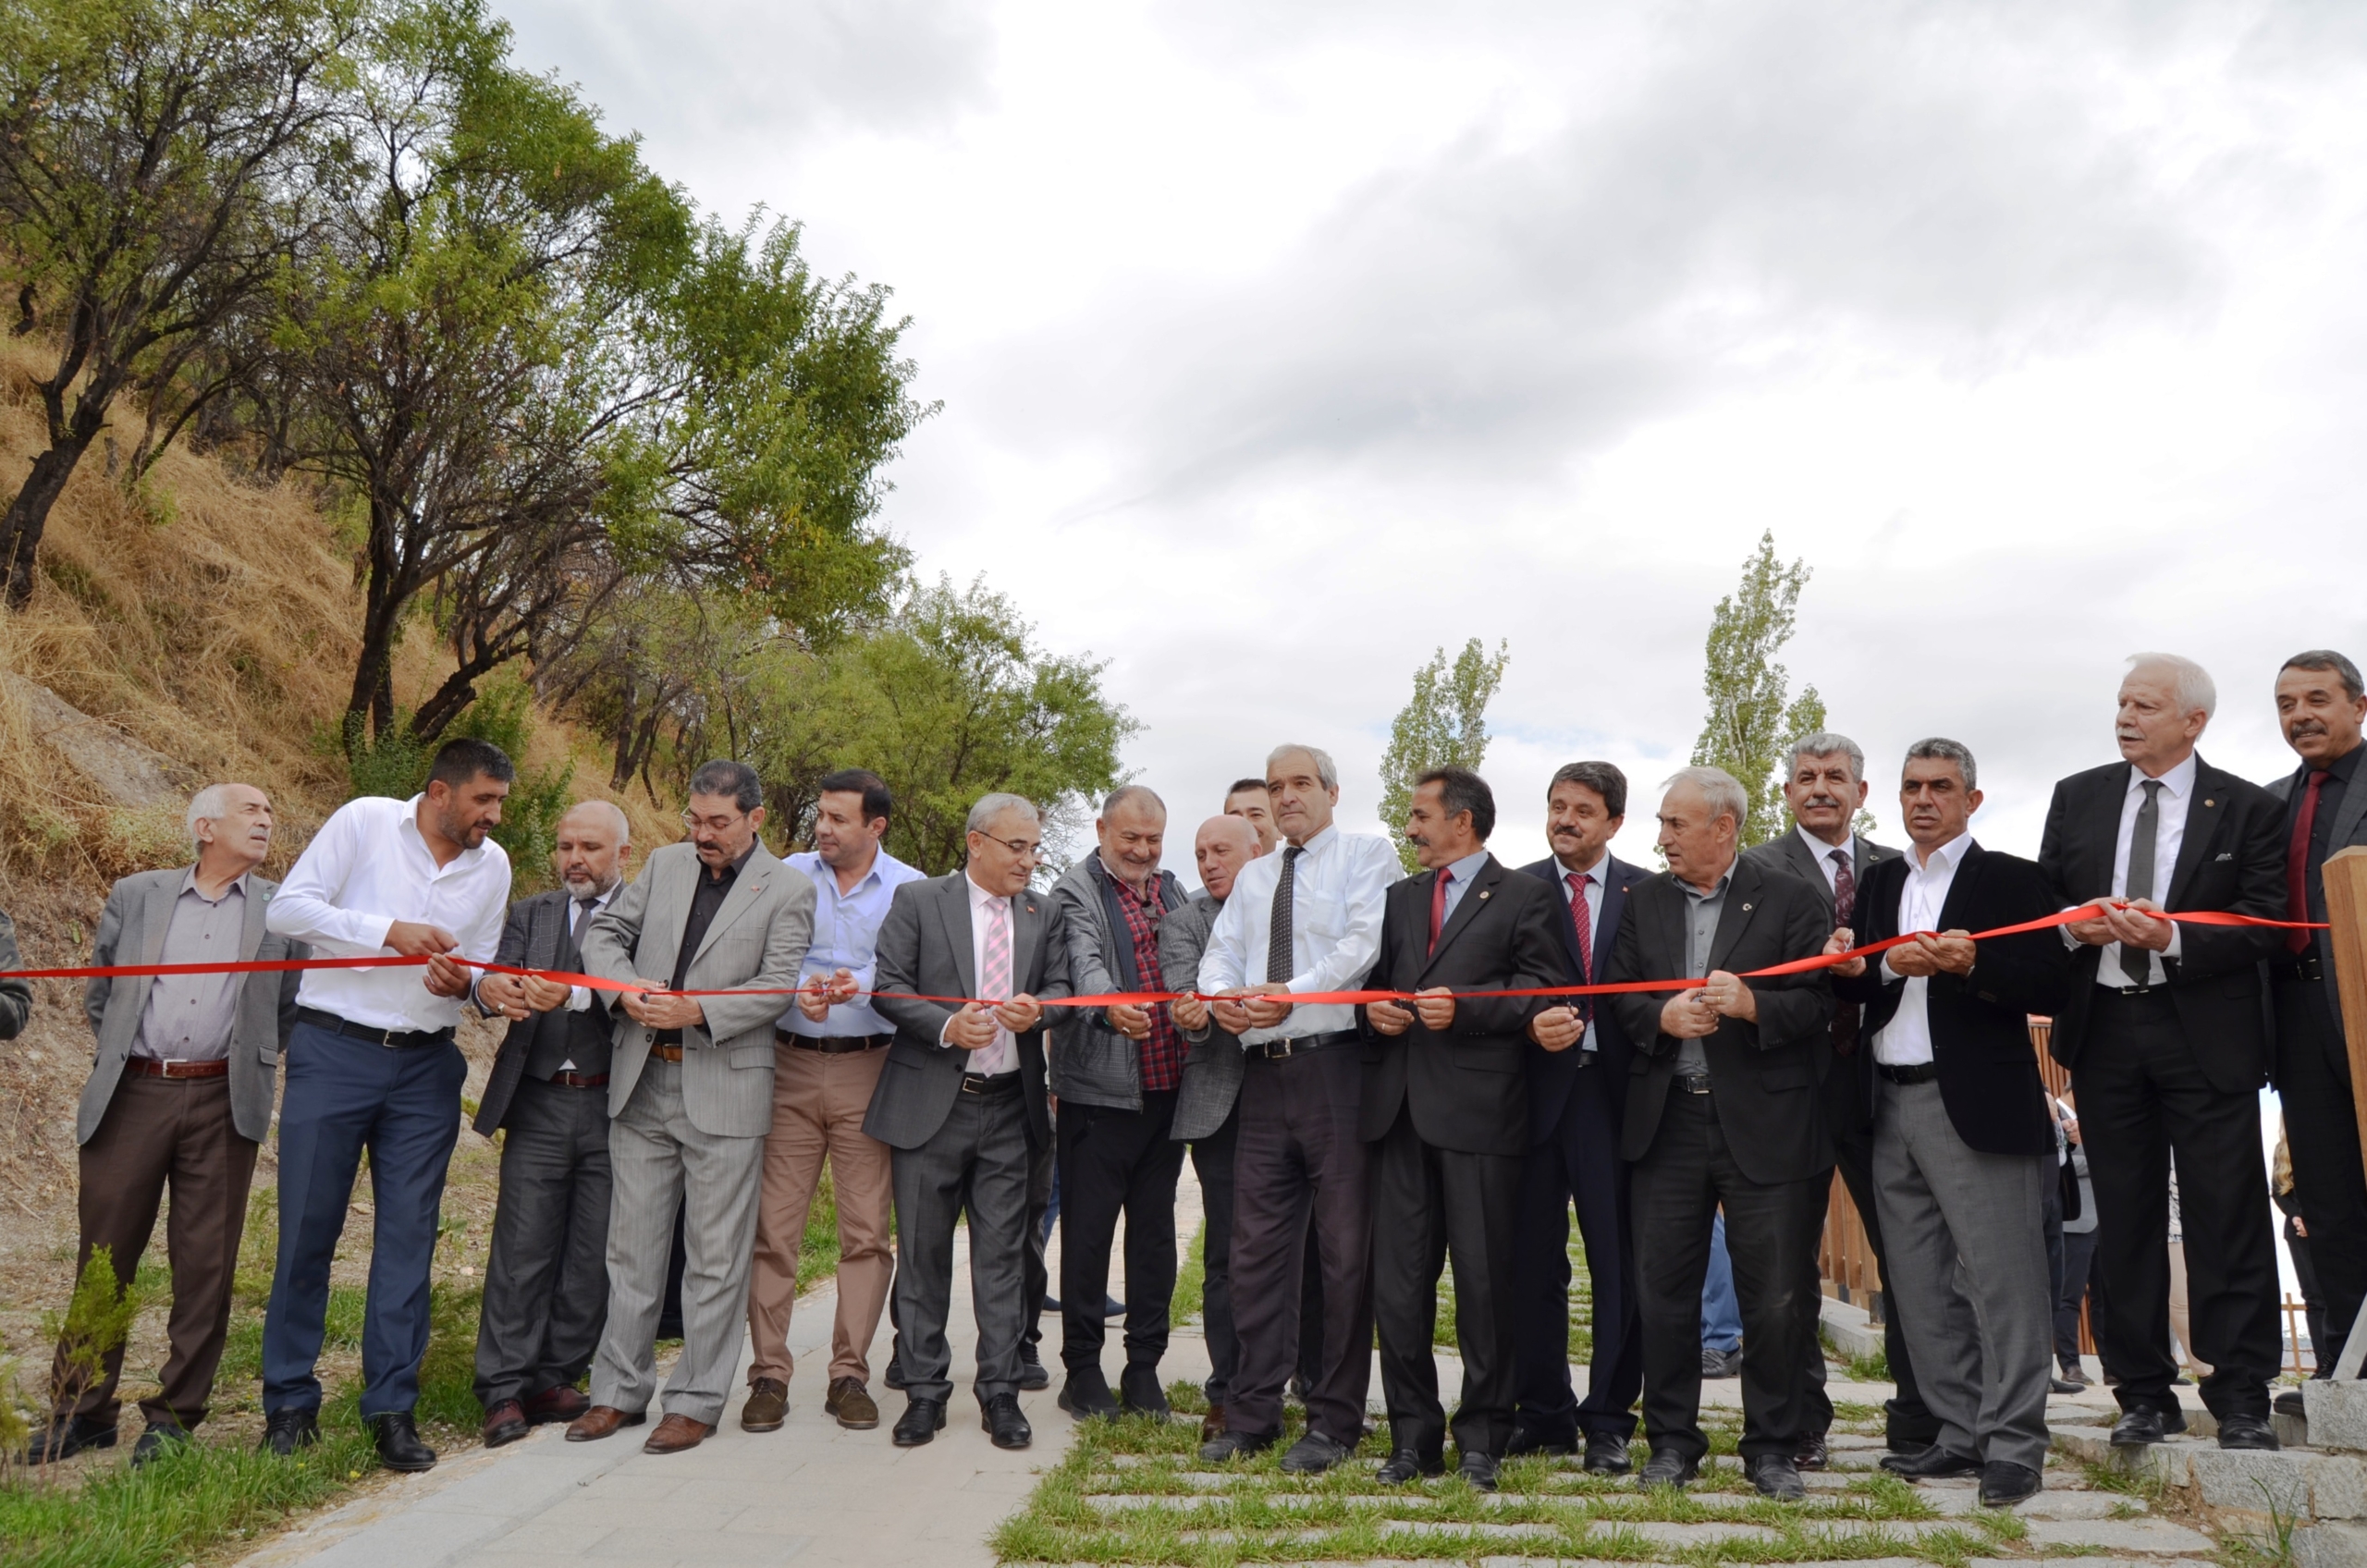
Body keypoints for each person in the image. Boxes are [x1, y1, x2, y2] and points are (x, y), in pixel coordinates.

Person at [2038, 652, 2286, 1452]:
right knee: (2128, 1218)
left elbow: (2264, 921)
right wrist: (2072, 926)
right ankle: (2143, 1392)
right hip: (2104, 1029)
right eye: (2121, 702)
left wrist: (2173, 936)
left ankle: (2243, 1393)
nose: (2125, 717)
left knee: (2227, 1213)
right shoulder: (2077, 798)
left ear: (2193, 721)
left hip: (2204, 1034)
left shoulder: (2247, 807)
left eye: (2144, 705)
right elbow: (2044, 905)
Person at [1826, 738, 2070, 1509]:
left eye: (1940, 787)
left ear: (1972, 800)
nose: (1923, 799)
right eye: (1910, 787)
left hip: (1978, 1106)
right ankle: (1960, 1435)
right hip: (1887, 1101)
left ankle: (2015, 1446)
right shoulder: (1881, 880)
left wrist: (1974, 967)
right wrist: (1870, 966)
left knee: (2005, 1284)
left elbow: (2055, 982)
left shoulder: (2013, 880)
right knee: (1920, 1285)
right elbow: (1862, 986)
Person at [27, 785, 302, 1465]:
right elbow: (102, 993)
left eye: (270, 812)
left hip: (223, 1098)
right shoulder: (138, 893)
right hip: (135, 1093)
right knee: (105, 1254)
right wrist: (136, 1057)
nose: (266, 820)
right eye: (251, 810)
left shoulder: (284, 910)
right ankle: (82, 1410)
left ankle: (174, 1417)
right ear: (205, 827)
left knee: (205, 1263)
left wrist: (245, 1063)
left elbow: (286, 1008)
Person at [261, 741, 514, 1472]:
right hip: (332, 1052)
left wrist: (471, 987)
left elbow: (480, 967)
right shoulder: (364, 821)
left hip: (426, 1069)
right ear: (439, 792)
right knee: (307, 1230)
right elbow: (287, 910)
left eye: (499, 802)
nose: (493, 817)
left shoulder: (492, 866)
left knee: (410, 1238)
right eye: (483, 801)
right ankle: (288, 1404)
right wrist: (387, 932)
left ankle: (392, 1408)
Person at [568, 761, 816, 1456]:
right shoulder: (665, 864)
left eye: (718, 823)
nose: (702, 834)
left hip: (727, 1091)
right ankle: (618, 1392)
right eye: (694, 819)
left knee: (715, 1259)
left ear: (755, 819)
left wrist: (698, 1008)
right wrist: (623, 991)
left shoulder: (789, 888)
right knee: (631, 1252)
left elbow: (778, 988)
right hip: (642, 1081)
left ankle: (698, 1400)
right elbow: (603, 935)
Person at [1600, 766, 1834, 1500]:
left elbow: (1821, 1003)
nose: (1661, 836)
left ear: (1724, 828)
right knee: (1663, 1293)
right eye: (1664, 824)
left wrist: (1755, 1005)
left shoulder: (1793, 897)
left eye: (1675, 823)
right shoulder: (1644, 903)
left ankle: (1771, 1448)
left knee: (1774, 1297)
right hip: (1667, 1120)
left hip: (1765, 1124)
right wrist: (1660, 1020)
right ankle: (1672, 1445)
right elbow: (1618, 997)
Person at [1197, 743, 1399, 1474]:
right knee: (1255, 1254)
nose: (1286, 797)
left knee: (1344, 1256)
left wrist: (1290, 992)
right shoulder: (1254, 876)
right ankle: (1252, 1414)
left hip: (1336, 1072)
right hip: (1263, 1077)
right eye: (1276, 786)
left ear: (1333, 792)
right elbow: (1222, 953)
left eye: (1301, 784)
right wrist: (1224, 999)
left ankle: (1334, 1422)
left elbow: (1360, 948)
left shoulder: (1367, 858)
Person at [1362, 767, 1564, 1491]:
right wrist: (1373, 1011)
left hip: (1482, 1118)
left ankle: (1483, 1437)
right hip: (1400, 1118)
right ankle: (1411, 1439)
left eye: (1420, 815)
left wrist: (1470, 1009)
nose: (1410, 828)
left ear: (1464, 820)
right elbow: (1380, 982)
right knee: (1399, 1288)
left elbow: (1548, 988)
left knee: (1484, 1285)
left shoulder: (1526, 896)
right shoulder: (1400, 898)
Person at [1740, 733, 1934, 1465]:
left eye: (1835, 777)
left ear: (1861, 790)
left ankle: (1921, 1416)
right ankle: (1797, 1425)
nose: (1820, 788)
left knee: (1910, 1255)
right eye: (1805, 777)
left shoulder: (1897, 868)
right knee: (1787, 1268)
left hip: (1882, 1087)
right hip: (1786, 1088)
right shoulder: (1753, 869)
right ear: (1786, 793)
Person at [864, 792, 1072, 1452]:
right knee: (923, 1258)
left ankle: (1000, 1395)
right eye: (1018, 847)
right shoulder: (921, 902)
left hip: (1012, 1106)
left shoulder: (1045, 912)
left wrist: (1039, 1012)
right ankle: (924, 1394)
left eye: (1035, 848)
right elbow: (889, 987)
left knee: (1003, 1259)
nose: (1030, 860)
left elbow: (1067, 991)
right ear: (976, 843)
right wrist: (949, 1025)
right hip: (932, 1105)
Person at [745, 769, 922, 1435]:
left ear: (875, 827)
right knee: (775, 1229)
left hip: (870, 1070)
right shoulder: (788, 874)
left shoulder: (908, 887)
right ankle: (768, 1376)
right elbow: (762, 955)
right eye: (820, 815)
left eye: (838, 819)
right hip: (788, 1064)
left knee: (866, 1235)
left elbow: (913, 964)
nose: (822, 827)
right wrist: (802, 988)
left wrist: (863, 984)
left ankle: (849, 1374)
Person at [468, 802, 632, 1449]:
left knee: (593, 1252)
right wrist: (497, 993)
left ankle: (555, 1375)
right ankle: (503, 1389)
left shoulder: (644, 915)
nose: (575, 860)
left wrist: (575, 992)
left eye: (589, 847)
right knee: (521, 1248)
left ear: (623, 850)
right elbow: (493, 979)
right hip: (538, 1101)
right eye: (566, 846)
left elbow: (643, 995)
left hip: (615, 1104)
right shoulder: (531, 913)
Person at [1509, 761, 1650, 1472]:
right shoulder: (1512, 890)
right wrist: (1530, 1022)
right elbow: (1499, 984)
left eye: (1583, 810)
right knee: (1531, 1263)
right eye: (1556, 806)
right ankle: (1544, 1414)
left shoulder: (1649, 892)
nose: (1565, 819)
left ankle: (1608, 1421)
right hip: (1534, 1099)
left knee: (1617, 1264)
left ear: (1615, 822)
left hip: (1616, 1100)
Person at [1047, 785, 1194, 1418]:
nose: (1141, 850)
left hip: (1169, 1095)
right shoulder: (1075, 889)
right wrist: (1111, 1010)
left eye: (1153, 839)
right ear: (1102, 829)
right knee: (1087, 1238)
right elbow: (1084, 963)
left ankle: (1143, 1368)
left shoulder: (1173, 888)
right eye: (1129, 837)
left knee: (1155, 1239)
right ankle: (1081, 1371)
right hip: (1098, 1099)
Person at [2266, 650, 2367, 1397]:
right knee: (2326, 1198)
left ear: (2358, 706)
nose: (2301, 715)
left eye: (2318, 699)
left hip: (2362, 1007)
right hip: (2296, 1018)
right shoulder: (2267, 805)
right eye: (2286, 703)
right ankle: (2344, 1363)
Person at [1162, 814, 1263, 1441]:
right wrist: (1197, 1012)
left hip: (1299, 1095)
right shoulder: (1183, 922)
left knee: (1308, 1253)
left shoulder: (1293, 907)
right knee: (1227, 1254)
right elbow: (1187, 1006)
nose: (1208, 863)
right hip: (1221, 1106)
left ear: (1260, 850)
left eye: (1221, 850)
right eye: (1200, 853)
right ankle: (1226, 1391)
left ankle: (1312, 1384)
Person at [1225, 778, 1282, 855]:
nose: (1245, 823)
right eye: (1235, 817)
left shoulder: (1300, 866)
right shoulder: (1208, 865)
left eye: (1256, 815)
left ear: (1280, 830)